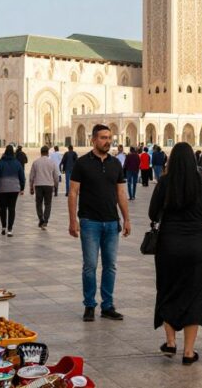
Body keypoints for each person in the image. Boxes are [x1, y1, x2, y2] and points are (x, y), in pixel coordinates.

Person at [150, 142, 202, 366]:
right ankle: (189, 352)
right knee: (195, 294)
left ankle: (170, 342)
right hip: (197, 245)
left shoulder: (164, 183)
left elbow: (153, 213)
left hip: (169, 244)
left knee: (168, 289)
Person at [69, 124, 131, 322]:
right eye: (103, 137)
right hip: (90, 222)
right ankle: (89, 305)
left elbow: (121, 193)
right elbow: (73, 193)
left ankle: (107, 305)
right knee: (90, 266)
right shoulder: (82, 163)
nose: (107, 141)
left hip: (111, 223)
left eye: (109, 137)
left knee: (110, 265)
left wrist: (126, 218)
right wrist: (73, 220)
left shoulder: (115, 164)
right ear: (93, 140)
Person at [0, 144, 26, 237]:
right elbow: (22, 177)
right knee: (12, 208)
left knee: (2, 208)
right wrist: (22, 187)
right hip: (14, 189)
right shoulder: (17, 163)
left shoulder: (0, 163)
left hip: (2, 188)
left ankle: (3, 227)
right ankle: (10, 229)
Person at [30, 146, 61, 230]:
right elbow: (56, 177)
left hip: (39, 185)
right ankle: (46, 221)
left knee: (38, 203)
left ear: (41, 152)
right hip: (49, 186)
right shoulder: (52, 162)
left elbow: (31, 176)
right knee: (48, 204)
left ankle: (41, 219)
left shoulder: (36, 162)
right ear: (47, 153)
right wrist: (56, 187)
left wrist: (31, 188)